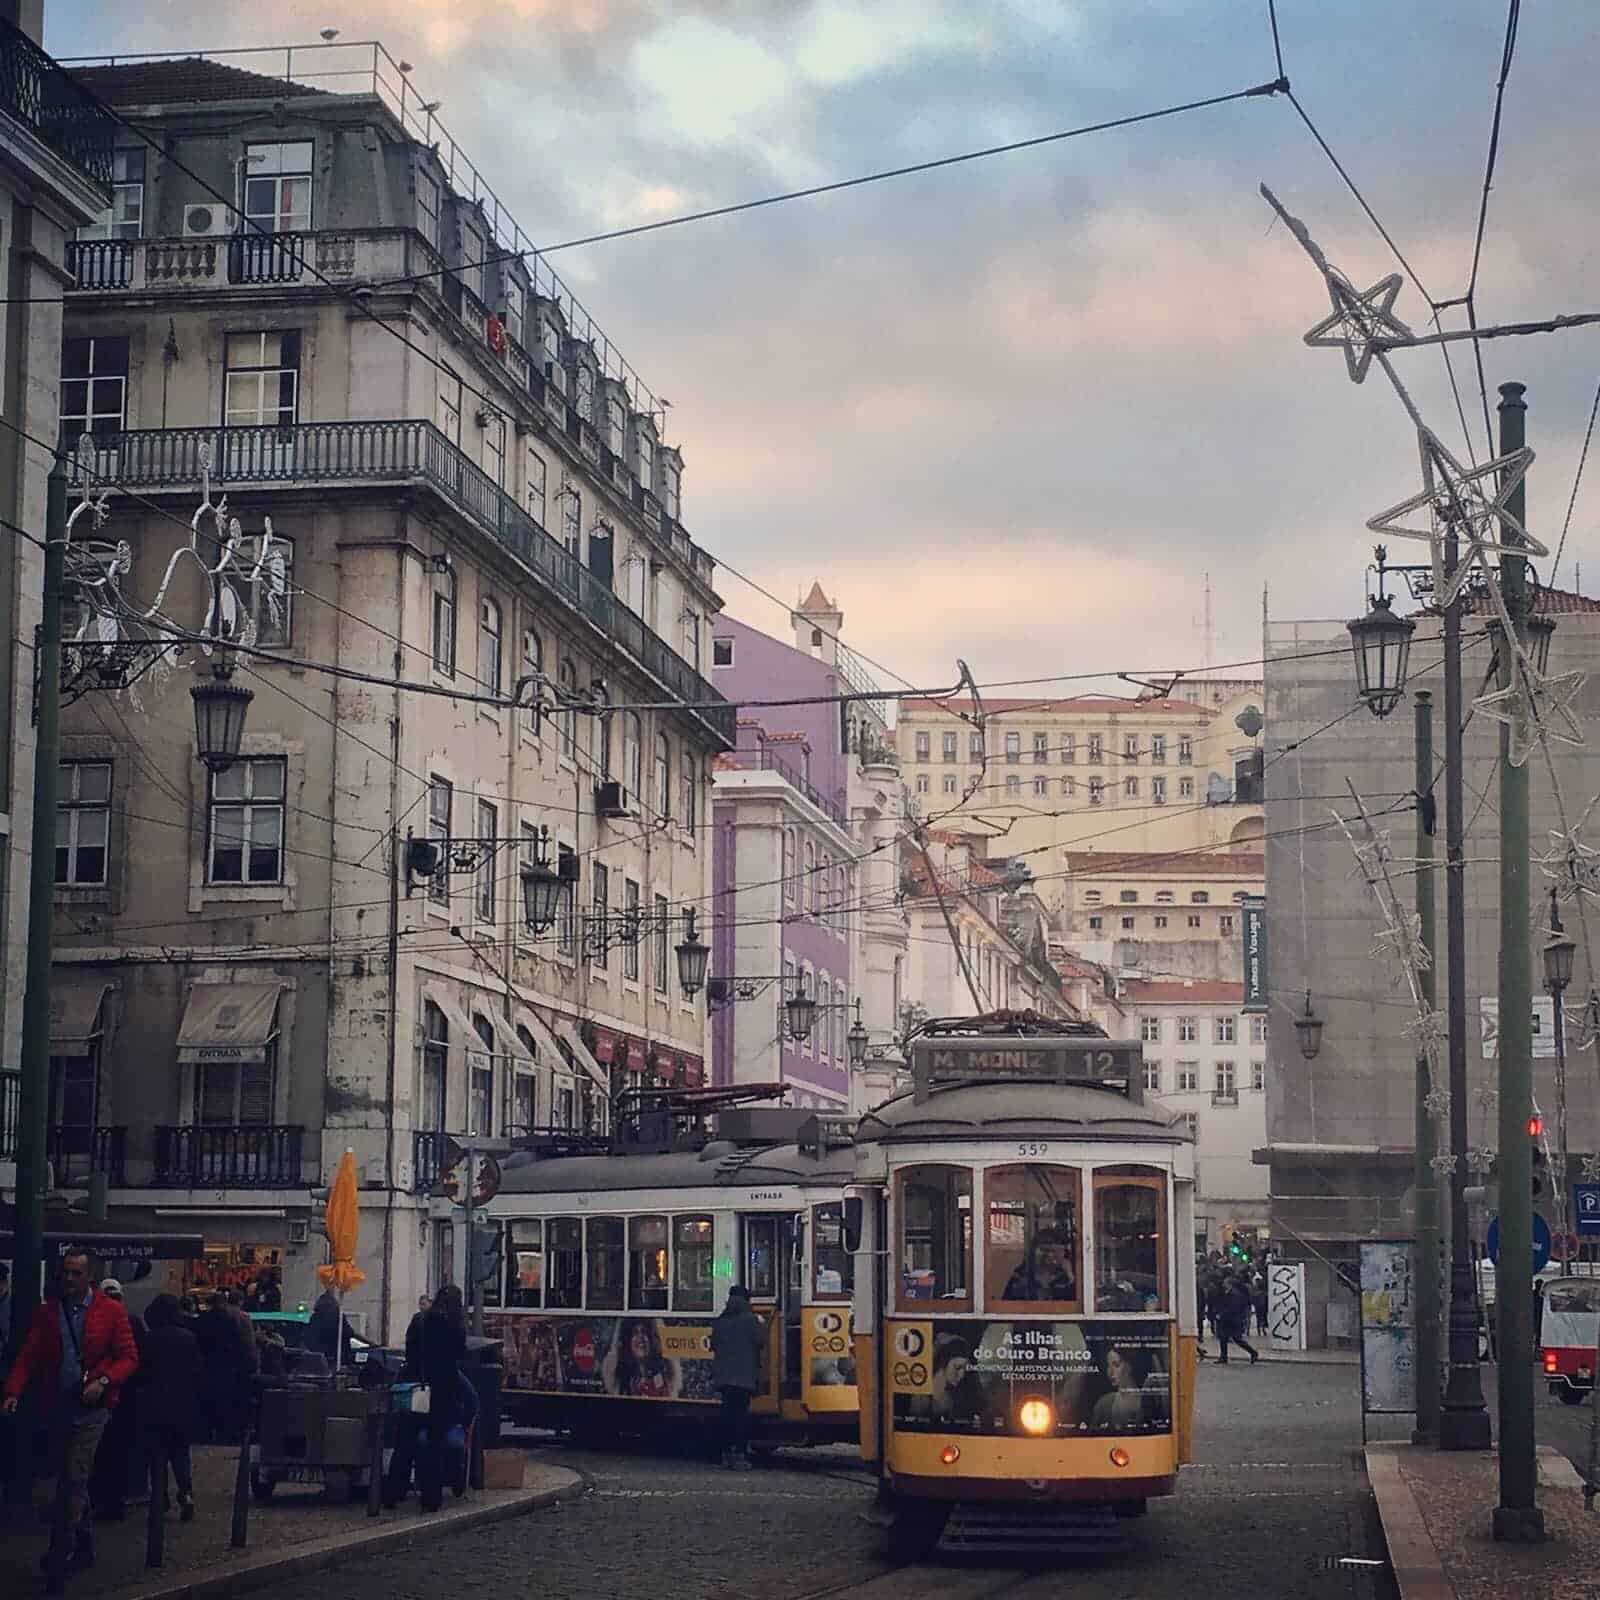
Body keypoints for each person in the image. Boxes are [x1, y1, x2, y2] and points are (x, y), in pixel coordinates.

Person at [3, 1247, 140, 1574]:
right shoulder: (49, 1312)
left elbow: (129, 1357)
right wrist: (13, 1392)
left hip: (93, 1406)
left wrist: (104, 1381)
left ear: (89, 1276)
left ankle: (61, 1545)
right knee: (68, 1474)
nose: (69, 1278)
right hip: (58, 1402)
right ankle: (83, 1540)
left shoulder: (110, 1311)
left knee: (75, 1474)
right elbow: (30, 1355)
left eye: (76, 1273)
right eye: (66, 1272)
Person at [138, 1295, 200, 1521]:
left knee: (157, 1456)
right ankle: (185, 1493)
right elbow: (197, 1371)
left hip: (154, 1404)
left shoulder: (148, 1339)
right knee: (180, 1453)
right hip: (183, 1404)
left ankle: (160, 1497)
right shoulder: (188, 1338)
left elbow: (140, 1372)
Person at [89, 1279, 147, 1520]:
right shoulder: (132, 1322)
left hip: (102, 1394)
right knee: (118, 1451)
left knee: (100, 1452)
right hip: (123, 1397)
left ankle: (100, 1500)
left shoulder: (95, 1320)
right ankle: (114, 1500)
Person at [415, 1285, 469, 1512]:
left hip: (426, 1386)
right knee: (442, 1440)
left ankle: (428, 1494)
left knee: (427, 1441)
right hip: (447, 1387)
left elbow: (417, 1350)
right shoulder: (454, 1323)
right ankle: (444, 1485)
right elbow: (459, 1353)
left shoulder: (427, 1320)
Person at [709, 1285, 765, 1470]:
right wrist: (761, 1323)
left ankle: (725, 1454)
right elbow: (761, 1341)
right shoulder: (750, 1320)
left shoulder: (721, 1320)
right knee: (741, 1417)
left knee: (727, 1415)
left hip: (724, 1377)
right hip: (743, 1378)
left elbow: (713, 1344)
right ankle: (740, 1455)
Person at [604, 1320, 679, 1399]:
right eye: (635, 1332)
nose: (641, 1336)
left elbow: (665, 1344)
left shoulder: (666, 1374)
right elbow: (614, 1351)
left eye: (644, 1332)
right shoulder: (622, 1382)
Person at [1092, 1343, 1153, 1429]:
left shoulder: (1147, 1404)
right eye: (1108, 1365)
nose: (1110, 1372)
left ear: (1130, 1366)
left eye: (1116, 1365)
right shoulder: (1103, 1404)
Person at [1002, 1232, 1075, 1302]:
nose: (1050, 1255)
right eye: (1044, 1250)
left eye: (1055, 1251)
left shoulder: (1067, 1276)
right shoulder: (1022, 1273)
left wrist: (1070, 1276)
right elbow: (1006, 1303)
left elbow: (1075, 1301)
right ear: (1033, 1252)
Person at [306, 1290, 359, 1368]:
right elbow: (349, 1333)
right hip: (337, 1356)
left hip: (318, 1358)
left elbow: (308, 1336)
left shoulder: (315, 1317)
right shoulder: (338, 1316)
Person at [1216, 1272, 1260, 1365]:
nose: (1223, 1284)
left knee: (1237, 1339)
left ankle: (1253, 1352)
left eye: (1225, 1283)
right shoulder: (1228, 1293)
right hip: (1228, 1321)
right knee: (1224, 1338)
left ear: (1229, 1284)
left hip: (1233, 1321)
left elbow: (1233, 1308)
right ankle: (1223, 1357)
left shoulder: (1234, 1294)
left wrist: (1222, 1314)